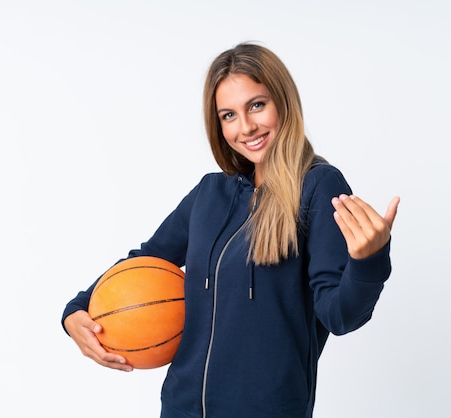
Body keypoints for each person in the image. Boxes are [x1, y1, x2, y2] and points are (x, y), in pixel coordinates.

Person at [62, 42, 400, 418]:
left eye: (257, 105)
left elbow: (340, 316)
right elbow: (146, 261)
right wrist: (77, 309)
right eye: (228, 115)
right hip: (181, 407)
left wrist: (369, 261)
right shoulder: (210, 193)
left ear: (283, 102)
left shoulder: (319, 187)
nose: (246, 127)